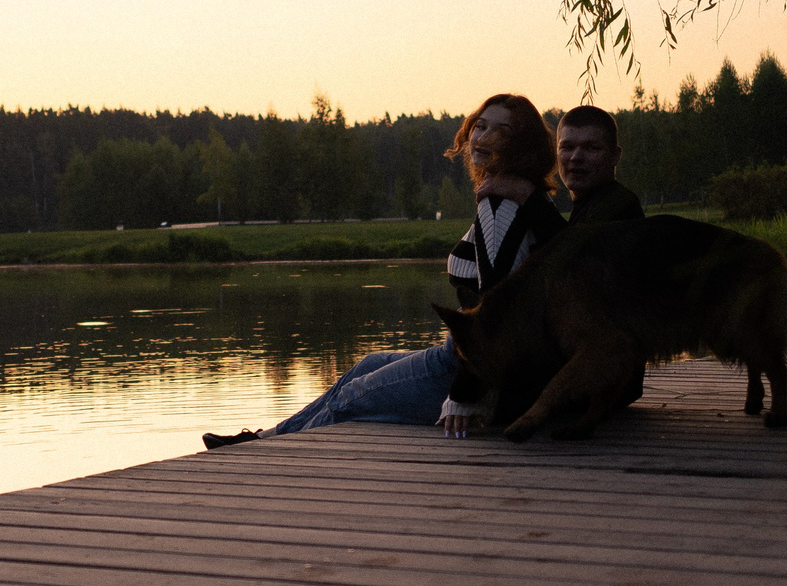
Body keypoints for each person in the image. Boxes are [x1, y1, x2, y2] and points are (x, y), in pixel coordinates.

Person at [200, 93, 566, 448]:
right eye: (480, 126)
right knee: (366, 365)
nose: (483, 138)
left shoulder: (501, 203)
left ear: (522, 145)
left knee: (352, 399)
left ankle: (275, 453)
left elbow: (495, 311)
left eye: (500, 131)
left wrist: (464, 395)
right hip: (466, 358)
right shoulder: (525, 197)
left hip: (471, 370)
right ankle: (262, 440)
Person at [557, 104, 645, 226]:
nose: (575, 157)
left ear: (615, 156)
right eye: (568, 147)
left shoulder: (618, 208)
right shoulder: (586, 207)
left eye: (591, 148)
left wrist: (529, 197)